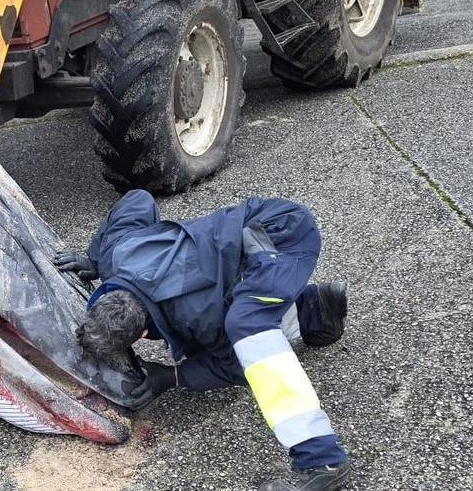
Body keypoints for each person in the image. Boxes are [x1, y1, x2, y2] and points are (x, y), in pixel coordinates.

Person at [55, 190, 350, 491]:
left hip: (282, 236)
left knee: (247, 328)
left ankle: (321, 459)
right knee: (230, 320)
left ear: (142, 334)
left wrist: (172, 377)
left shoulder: (198, 315)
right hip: (246, 240)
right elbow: (137, 199)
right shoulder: (115, 254)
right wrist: (94, 258)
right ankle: (316, 310)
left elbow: (238, 368)